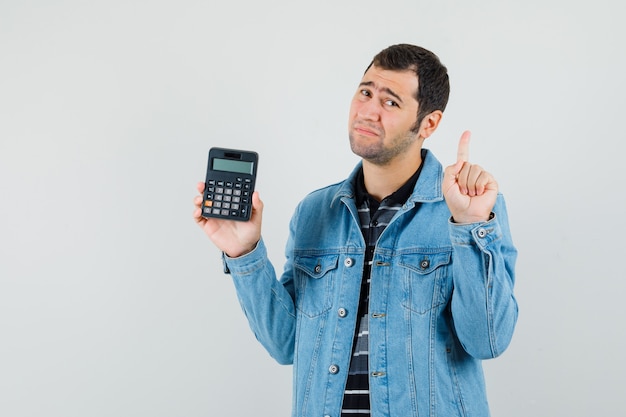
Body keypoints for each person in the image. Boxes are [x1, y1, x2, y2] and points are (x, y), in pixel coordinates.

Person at [193, 43, 518, 417]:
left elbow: (487, 340)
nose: (368, 111)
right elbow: (285, 344)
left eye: (391, 102)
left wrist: (470, 225)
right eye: (365, 92)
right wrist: (244, 251)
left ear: (428, 123)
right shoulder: (315, 212)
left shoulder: (471, 209)